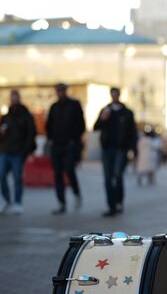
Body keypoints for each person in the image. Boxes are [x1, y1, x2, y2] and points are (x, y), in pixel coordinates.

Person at [93, 87, 138, 217]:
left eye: (116, 94)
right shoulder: (105, 110)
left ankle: (119, 202)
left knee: (118, 175)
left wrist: (133, 150)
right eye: (112, 94)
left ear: (119, 95)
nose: (114, 97)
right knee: (107, 178)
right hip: (107, 148)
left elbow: (132, 132)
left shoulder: (127, 112)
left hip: (120, 148)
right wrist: (103, 118)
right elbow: (96, 127)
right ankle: (111, 206)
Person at [46, 83, 86, 215]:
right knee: (57, 174)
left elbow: (81, 124)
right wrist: (51, 138)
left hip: (70, 144)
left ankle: (76, 192)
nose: (59, 92)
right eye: (57, 90)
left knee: (69, 170)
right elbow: (49, 125)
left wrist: (74, 139)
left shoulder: (74, 105)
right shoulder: (54, 107)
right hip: (57, 145)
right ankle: (61, 203)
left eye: (61, 90)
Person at [0, 90, 37, 214]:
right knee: (0, 174)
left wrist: (26, 150)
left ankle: (18, 203)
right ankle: (6, 200)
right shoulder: (6, 116)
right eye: (12, 98)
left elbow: (31, 133)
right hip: (5, 150)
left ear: (19, 98)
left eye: (15, 98)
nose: (14, 100)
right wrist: (1, 132)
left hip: (18, 152)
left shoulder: (25, 115)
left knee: (17, 178)